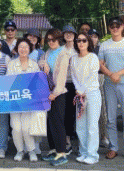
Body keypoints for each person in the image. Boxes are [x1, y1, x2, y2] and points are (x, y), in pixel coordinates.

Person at [98, 16, 124, 161]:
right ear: (109, 28)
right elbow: (100, 64)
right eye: (112, 26)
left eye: (117, 26)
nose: (115, 28)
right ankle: (113, 147)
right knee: (110, 118)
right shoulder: (104, 45)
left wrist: (118, 74)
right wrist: (110, 74)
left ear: (122, 27)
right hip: (109, 85)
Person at [40, 28, 73, 166]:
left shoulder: (64, 53)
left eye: (53, 39)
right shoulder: (47, 52)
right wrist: (44, 64)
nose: (51, 42)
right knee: (50, 122)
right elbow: (40, 62)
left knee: (58, 122)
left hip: (58, 94)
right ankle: (53, 149)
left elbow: (62, 76)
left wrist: (55, 93)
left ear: (59, 39)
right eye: (48, 40)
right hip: (48, 92)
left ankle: (62, 152)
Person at [7, 38, 40, 162]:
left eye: (26, 47)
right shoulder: (11, 64)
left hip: (29, 103)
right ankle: (20, 151)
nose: (23, 49)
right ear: (17, 49)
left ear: (30, 49)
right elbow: (8, 82)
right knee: (16, 128)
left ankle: (31, 151)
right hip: (15, 102)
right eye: (21, 47)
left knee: (26, 128)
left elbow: (37, 84)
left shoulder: (34, 64)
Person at [70, 32, 101, 165]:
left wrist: (82, 90)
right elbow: (73, 75)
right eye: (79, 40)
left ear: (88, 42)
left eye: (84, 40)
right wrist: (78, 90)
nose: (81, 43)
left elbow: (92, 76)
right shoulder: (73, 58)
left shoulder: (93, 57)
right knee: (80, 126)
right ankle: (83, 152)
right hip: (79, 95)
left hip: (92, 94)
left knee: (92, 126)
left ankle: (92, 155)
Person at [61, 24, 78, 151]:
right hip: (62, 83)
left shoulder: (78, 49)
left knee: (75, 112)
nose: (68, 35)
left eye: (71, 33)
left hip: (76, 84)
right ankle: (66, 140)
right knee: (65, 112)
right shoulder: (59, 50)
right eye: (66, 33)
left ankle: (77, 138)